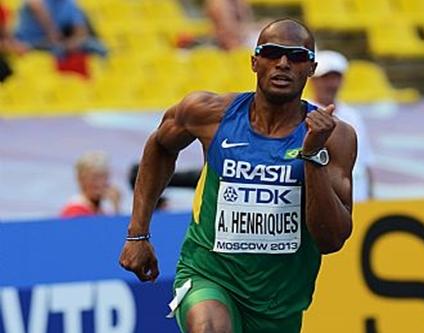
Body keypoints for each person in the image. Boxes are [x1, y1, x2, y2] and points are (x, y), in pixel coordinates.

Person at [119, 18, 357, 333]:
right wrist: (138, 233)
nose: (283, 63)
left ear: (310, 68)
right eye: (272, 53)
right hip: (209, 275)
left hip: (278, 301)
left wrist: (311, 155)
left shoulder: (336, 136)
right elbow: (160, 147)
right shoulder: (208, 113)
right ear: (254, 61)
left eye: (296, 56)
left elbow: (331, 239)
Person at [310, 50, 375, 202]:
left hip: (358, 194)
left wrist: (371, 196)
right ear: (313, 80)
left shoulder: (353, 115)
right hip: (322, 197)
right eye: (325, 78)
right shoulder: (302, 113)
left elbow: (365, 161)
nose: (331, 84)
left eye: (336, 78)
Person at [60, 151, 121, 218]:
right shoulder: (74, 211)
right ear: (81, 179)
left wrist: (116, 207)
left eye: (105, 177)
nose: (100, 183)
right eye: (95, 178)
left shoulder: (103, 211)